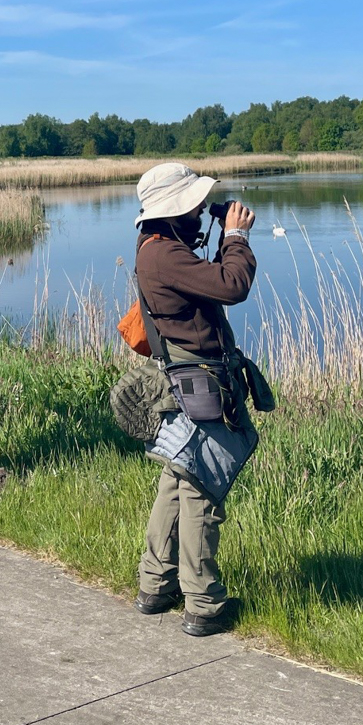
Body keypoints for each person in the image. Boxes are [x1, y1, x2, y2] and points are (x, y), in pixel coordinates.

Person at [131, 161, 258, 638]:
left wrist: (216, 234)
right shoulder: (163, 255)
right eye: (195, 204)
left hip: (186, 385)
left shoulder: (159, 248)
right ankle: (203, 602)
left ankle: (154, 584)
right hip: (202, 386)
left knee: (176, 479)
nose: (202, 209)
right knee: (202, 488)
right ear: (174, 211)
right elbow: (232, 286)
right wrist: (236, 239)